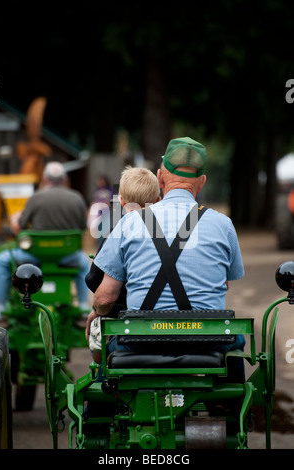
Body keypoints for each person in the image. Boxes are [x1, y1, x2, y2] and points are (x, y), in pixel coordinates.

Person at [87, 137, 245, 382]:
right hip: (208, 340)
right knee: (237, 340)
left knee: (104, 364)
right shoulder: (222, 224)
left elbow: (106, 297)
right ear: (202, 182)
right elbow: (223, 283)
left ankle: (97, 412)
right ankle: (230, 407)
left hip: (140, 340)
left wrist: (96, 312)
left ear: (160, 178)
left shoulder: (131, 221)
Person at [0, 161, 90, 321]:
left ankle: (0, 307)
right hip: (67, 256)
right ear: (64, 179)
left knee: (2, 260)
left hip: (36, 256)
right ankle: (82, 306)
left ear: (45, 179)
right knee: (84, 263)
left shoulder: (36, 197)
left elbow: (21, 226)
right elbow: (82, 228)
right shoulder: (77, 198)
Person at [86, 165, 161, 363]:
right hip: (177, 322)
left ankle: (103, 378)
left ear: (120, 201)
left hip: (128, 321)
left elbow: (96, 282)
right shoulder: (172, 234)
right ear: (159, 201)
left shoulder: (117, 233)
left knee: (98, 337)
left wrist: (95, 312)